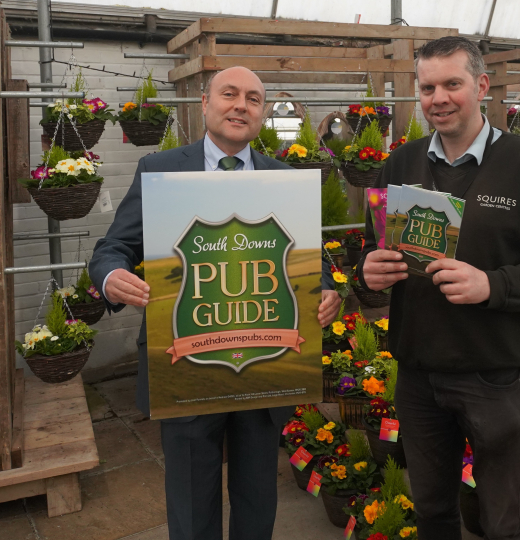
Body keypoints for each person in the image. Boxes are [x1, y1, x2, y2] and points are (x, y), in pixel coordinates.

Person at [89, 66, 341, 540]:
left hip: (265, 367)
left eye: (252, 98)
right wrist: (110, 276)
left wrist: (327, 290)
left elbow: (314, 261)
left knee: (258, 497)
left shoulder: (285, 179)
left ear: (262, 113)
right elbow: (112, 248)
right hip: (184, 368)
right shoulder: (160, 170)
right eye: (229, 94)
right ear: (205, 103)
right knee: (189, 499)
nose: (240, 105)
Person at [358, 37, 520, 540]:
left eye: (452, 84)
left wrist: (491, 284)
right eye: (428, 87)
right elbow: (372, 253)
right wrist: (367, 273)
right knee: (433, 510)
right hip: (417, 371)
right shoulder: (401, 164)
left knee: (502, 518)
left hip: (495, 372)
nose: (438, 97)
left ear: (481, 86)